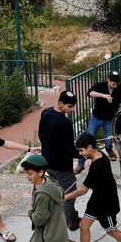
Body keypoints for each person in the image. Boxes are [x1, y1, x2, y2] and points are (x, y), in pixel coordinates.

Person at [78, 71, 121, 166]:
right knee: (87, 138)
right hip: (97, 118)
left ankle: (109, 150)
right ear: (109, 80)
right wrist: (103, 95)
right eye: (113, 84)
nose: (115, 86)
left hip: (109, 120)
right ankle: (80, 164)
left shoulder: (119, 88)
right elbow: (90, 93)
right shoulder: (100, 86)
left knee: (108, 141)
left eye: (117, 84)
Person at [38, 90, 82, 231]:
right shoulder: (64, 123)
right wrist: (86, 154)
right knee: (70, 194)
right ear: (60, 103)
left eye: (73, 106)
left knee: (60, 191)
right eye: (69, 106)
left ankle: (73, 218)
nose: (72, 109)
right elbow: (69, 149)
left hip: (47, 162)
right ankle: (62, 228)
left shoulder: (46, 112)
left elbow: (40, 135)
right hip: (62, 166)